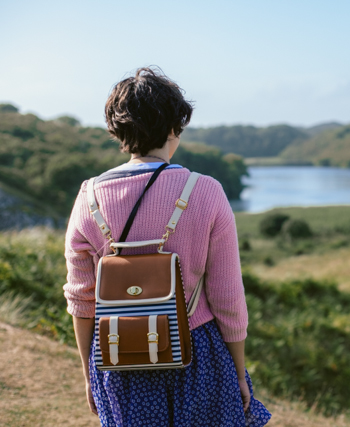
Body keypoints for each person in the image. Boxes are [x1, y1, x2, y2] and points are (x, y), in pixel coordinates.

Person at [63, 67, 271, 426]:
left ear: (118, 130)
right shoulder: (205, 191)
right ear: (175, 126)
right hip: (195, 353)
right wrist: (238, 371)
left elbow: (83, 302)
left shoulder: (89, 197)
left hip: (119, 355)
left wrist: (89, 374)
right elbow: (227, 297)